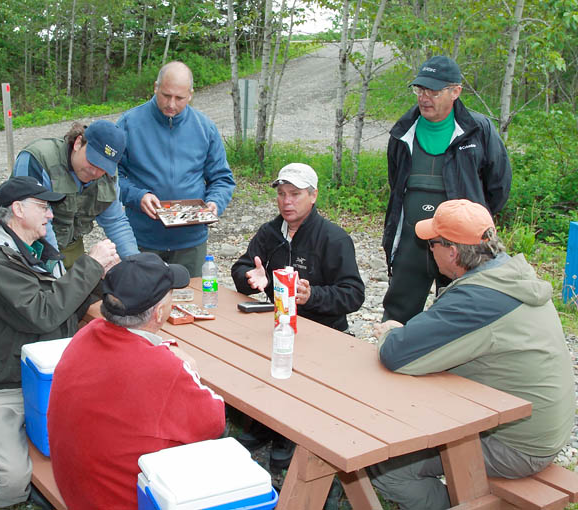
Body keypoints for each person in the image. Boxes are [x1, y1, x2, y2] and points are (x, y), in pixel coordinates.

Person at [371, 199, 574, 510]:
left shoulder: (478, 299)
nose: (429, 249)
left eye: (432, 243)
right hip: (542, 429)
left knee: (388, 466)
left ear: (452, 252)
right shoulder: (509, 276)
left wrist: (389, 333)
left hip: (516, 444)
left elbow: (398, 354)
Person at [0, 176, 119, 510]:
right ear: (17, 209)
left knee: (110, 444)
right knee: (9, 480)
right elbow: (42, 313)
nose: (50, 215)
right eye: (43, 207)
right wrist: (90, 265)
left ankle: (48, 491)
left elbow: (66, 302)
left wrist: (104, 280)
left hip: (50, 378)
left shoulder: (37, 252)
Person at [48, 253, 226, 509]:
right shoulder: (164, 369)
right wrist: (187, 367)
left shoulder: (86, 334)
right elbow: (215, 421)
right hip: (124, 500)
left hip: (76, 488)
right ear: (159, 312)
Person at [230, 162, 365, 476]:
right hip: (276, 324)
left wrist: (312, 296)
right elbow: (241, 268)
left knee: (299, 378)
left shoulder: (333, 238)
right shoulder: (269, 233)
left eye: (295, 194)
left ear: (313, 196)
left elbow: (354, 294)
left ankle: (290, 436)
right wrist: (252, 278)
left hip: (323, 332)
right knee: (254, 359)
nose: (287, 201)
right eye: (281, 194)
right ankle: (265, 423)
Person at [382, 55, 512, 324]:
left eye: (434, 91)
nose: (425, 97)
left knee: (461, 316)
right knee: (397, 315)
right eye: (420, 90)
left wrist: (474, 221)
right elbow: (396, 185)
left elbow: (498, 186)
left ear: (455, 92)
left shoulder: (479, 130)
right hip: (411, 241)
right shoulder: (402, 132)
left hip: (462, 245)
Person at [117, 60, 236, 276]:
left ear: (190, 95)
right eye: (166, 95)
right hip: (143, 239)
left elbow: (222, 178)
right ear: (156, 87)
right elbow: (111, 178)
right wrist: (138, 196)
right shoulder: (129, 124)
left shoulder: (205, 128)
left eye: (179, 98)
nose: (171, 104)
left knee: (191, 304)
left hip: (191, 242)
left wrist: (214, 203)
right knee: (141, 304)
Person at [13, 119, 138, 268]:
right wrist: (58, 272)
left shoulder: (109, 173)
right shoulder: (39, 159)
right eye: (92, 161)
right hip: (30, 248)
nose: (95, 171)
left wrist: (135, 262)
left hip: (71, 247)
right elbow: (35, 222)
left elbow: (115, 221)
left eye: (103, 167)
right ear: (78, 143)